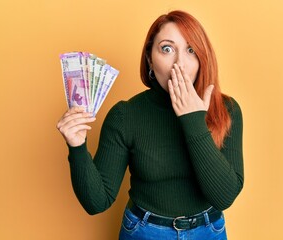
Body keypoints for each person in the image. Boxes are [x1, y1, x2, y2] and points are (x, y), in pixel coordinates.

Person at [56, 10, 244, 240]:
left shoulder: (226, 109)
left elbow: (224, 197)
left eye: (191, 50)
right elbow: (97, 201)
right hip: (145, 232)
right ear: (149, 60)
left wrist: (193, 120)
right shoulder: (125, 115)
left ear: (202, 58)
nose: (180, 63)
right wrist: (77, 148)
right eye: (167, 49)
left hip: (208, 231)